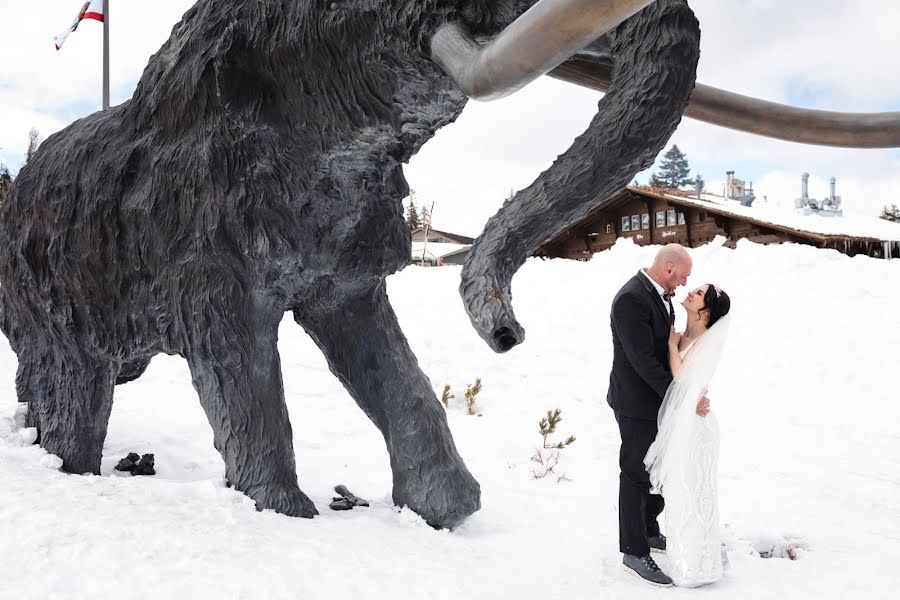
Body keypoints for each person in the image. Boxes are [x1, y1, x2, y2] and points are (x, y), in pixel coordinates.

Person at [607, 244, 694, 587]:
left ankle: (649, 530)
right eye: (684, 276)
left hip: (656, 402)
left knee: (658, 468)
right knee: (635, 472)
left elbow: (662, 346)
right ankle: (633, 549)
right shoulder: (630, 299)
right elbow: (642, 359)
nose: (685, 283)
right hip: (635, 403)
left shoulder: (660, 293)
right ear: (669, 268)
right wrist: (677, 395)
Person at [644, 283, 731, 587]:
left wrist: (671, 346)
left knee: (694, 492)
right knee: (681, 492)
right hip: (685, 421)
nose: (691, 293)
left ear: (704, 311)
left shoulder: (705, 339)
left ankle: (698, 564)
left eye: (699, 294)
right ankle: (688, 555)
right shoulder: (686, 334)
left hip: (697, 428)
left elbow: (683, 379)